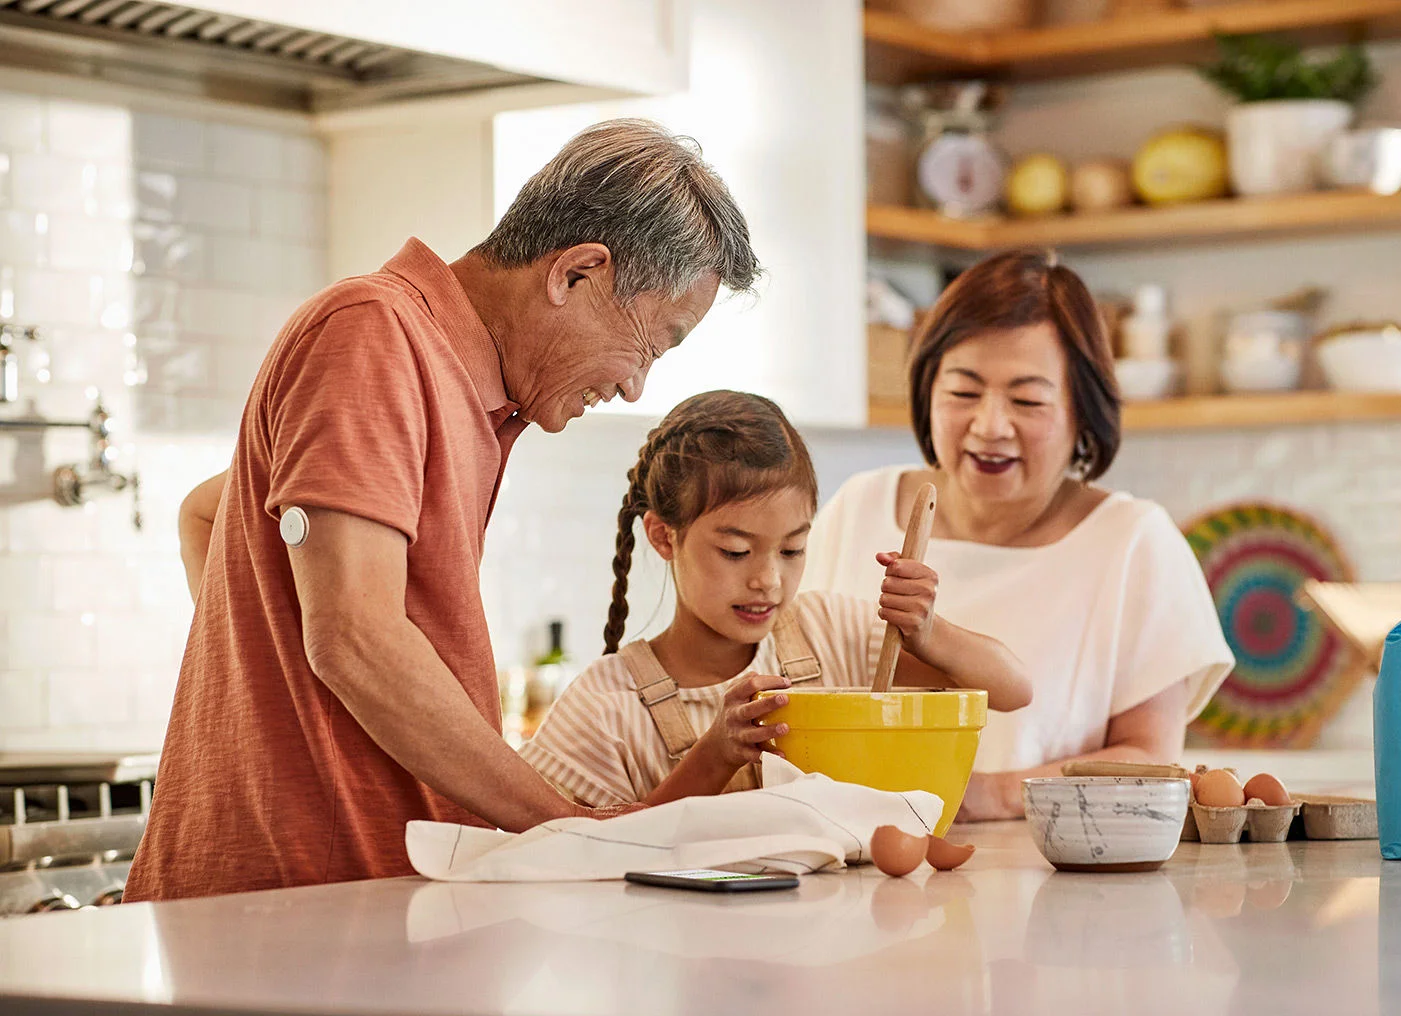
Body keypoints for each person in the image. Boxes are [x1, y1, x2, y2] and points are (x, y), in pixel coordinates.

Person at [126, 119, 761, 902]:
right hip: (291, 907)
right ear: (578, 273)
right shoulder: (373, 334)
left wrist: (270, 658)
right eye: (653, 346)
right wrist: (566, 830)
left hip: (369, 903)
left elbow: (213, 511)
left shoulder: (472, 391)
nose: (636, 387)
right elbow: (356, 638)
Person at [802, 250, 1234, 821]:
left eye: (1028, 400)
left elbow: (1150, 758)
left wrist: (988, 793)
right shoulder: (858, 508)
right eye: (962, 392)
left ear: (1083, 411)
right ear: (927, 390)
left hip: (1058, 884)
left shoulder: (1134, 543)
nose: (990, 426)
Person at [519, 390, 1031, 807]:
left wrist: (928, 630)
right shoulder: (606, 709)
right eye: (736, 551)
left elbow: (1012, 690)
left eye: (792, 549)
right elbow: (577, 851)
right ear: (663, 536)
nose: (769, 580)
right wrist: (713, 757)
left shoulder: (829, 633)